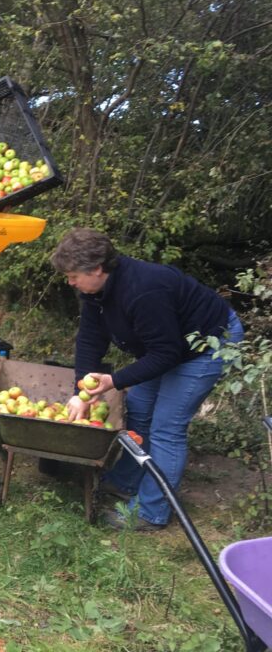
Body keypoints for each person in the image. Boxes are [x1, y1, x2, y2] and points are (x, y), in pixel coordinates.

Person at [52, 228, 245, 532]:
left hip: (207, 344)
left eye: (74, 275)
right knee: (139, 412)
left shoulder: (144, 290)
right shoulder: (95, 291)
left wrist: (113, 380)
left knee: (167, 427)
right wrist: (82, 390)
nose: (70, 281)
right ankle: (126, 482)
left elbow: (166, 355)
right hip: (168, 346)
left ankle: (150, 512)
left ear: (98, 269)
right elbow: (90, 339)